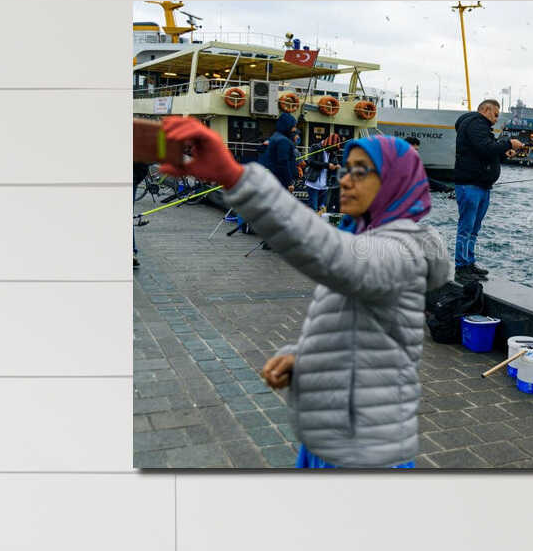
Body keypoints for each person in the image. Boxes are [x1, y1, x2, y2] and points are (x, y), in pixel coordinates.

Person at [156, 115, 451, 469]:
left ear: (395, 182)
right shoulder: (364, 239)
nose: (344, 180)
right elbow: (359, 332)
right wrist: (303, 358)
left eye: (361, 171)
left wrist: (235, 176)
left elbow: (334, 256)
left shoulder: (405, 251)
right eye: (345, 169)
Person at [449, 98, 524, 280]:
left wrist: (505, 153)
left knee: (474, 227)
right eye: (496, 114)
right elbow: (484, 148)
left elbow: (487, 153)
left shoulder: (481, 127)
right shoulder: (476, 123)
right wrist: (508, 143)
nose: (497, 119)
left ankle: (469, 262)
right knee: (467, 226)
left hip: (481, 185)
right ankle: (461, 266)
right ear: (486, 110)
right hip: (470, 184)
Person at [229, 112, 299, 240]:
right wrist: (289, 182)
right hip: (281, 182)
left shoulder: (274, 137)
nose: (295, 129)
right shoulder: (283, 141)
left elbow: (263, 152)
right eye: (294, 126)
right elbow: (283, 163)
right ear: (288, 126)